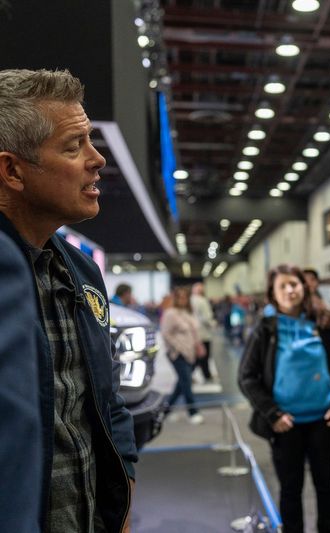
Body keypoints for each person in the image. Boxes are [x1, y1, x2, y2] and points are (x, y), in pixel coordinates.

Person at [0, 68, 137, 532]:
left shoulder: (82, 272)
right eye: (73, 146)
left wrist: (123, 497)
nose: (97, 160)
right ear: (11, 170)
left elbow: (107, 399)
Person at [238, 264, 330, 533]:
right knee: (290, 489)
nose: (290, 290)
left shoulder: (325, 323)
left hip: (324, 421)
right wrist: (272, 414)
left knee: (327, 486)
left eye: (294, 284)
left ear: (305, 286)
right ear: (273, 294)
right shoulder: (266, 329)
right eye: (282, 286)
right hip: (286, 425)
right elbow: (247, 377)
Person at [0, 232, 42, 531]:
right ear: (13, 180)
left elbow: (107, 391)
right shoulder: (7, 261)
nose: (96, 180)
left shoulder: (83, 271)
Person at [160, 285, 206, 425]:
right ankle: (193, 412)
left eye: (185, 297)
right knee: (186, 382)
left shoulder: (188, 313)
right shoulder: (170, 314)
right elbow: (166, 334)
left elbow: (195, 332)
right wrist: (179, 348)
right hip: (178, 354)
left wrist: (199, 345)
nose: (182, 299)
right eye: (179, 296)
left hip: (191, 353)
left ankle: (165, 411)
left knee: (181, 383)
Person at [191, 281, 217, 382]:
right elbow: (206, 318)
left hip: (194, 332)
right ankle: (205, 374)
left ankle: (205, 373)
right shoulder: (202, 301)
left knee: (198, 355)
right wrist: (213, 323)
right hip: (203, 332)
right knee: (203, 355)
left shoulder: (191, 300)